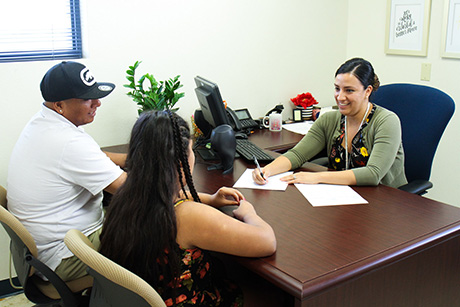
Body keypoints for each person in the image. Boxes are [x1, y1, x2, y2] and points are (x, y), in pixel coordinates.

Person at [99, 110, 276, 306]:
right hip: (189, 299)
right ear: (180, 160)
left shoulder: (126, 195)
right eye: (191, 150)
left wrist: (210, 199)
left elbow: (165, 195)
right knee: (266, 294)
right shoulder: (187, 216)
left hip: (146, 297)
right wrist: (249, 213)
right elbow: (267, 242)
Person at [7, 61, 127, 281]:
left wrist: (134, 159)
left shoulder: (42, 123)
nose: (98, 103)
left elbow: (94, 157)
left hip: (44, 250)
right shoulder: (68, 141)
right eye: (87, 99)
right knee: (155, 227)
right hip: (65, 256)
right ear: (59, 105)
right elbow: (133, 190)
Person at [253, 58, 407, 188]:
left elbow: (373, 174)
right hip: (342, 194)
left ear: (367, 91)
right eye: (337, 89)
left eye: (349, 90)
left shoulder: (386, 121)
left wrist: (317, 177)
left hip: (385, 200)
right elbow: (297, 154)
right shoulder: (329, 119)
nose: (340, 97)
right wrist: (267, 170)